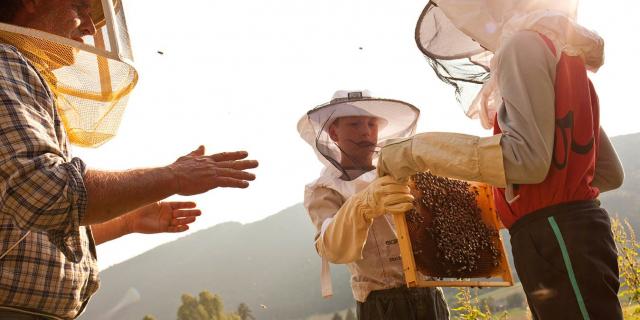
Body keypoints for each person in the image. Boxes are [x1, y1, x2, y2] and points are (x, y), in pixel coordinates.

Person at [0, 1, 258, 318]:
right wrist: (173, 176)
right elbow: (45, 192)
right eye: (78, 5)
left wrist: (127, 220)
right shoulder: (4, 62)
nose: (90, 28)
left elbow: (31, 223)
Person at [377, 0, 625, 318]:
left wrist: (418, 150)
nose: (474, 37)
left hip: (555, 235)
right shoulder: (562, 52)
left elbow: (528, 161)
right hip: (576, 232)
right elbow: (608, 172)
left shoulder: (521, 44)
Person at [298, 90, 449, 319]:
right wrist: (362, 206)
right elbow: (332, 248)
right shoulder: (324, 189)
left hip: (430, 294)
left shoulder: (401, 172)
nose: (365, 132)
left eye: (371, 124)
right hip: (382, 304)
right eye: (355, 124)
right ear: (334, 132)